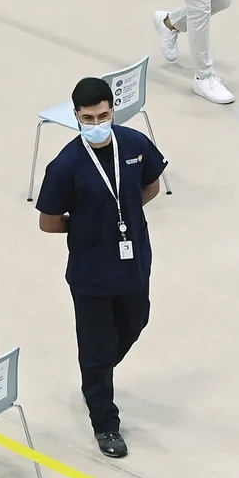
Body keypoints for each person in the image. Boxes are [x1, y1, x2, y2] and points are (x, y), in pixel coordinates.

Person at [35, 77, 167, 458]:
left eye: (104, 115)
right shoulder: (66, 165)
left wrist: (120, 217)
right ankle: (105, 422)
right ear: (76, 116)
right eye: (89, 118)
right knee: (95, 349)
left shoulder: (134, 144)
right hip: (91, 272)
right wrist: (89, 226)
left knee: (136, 321)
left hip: (132, 259)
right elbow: (48, 220)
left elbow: (152, 185)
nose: (98, 124)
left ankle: (96, 377)